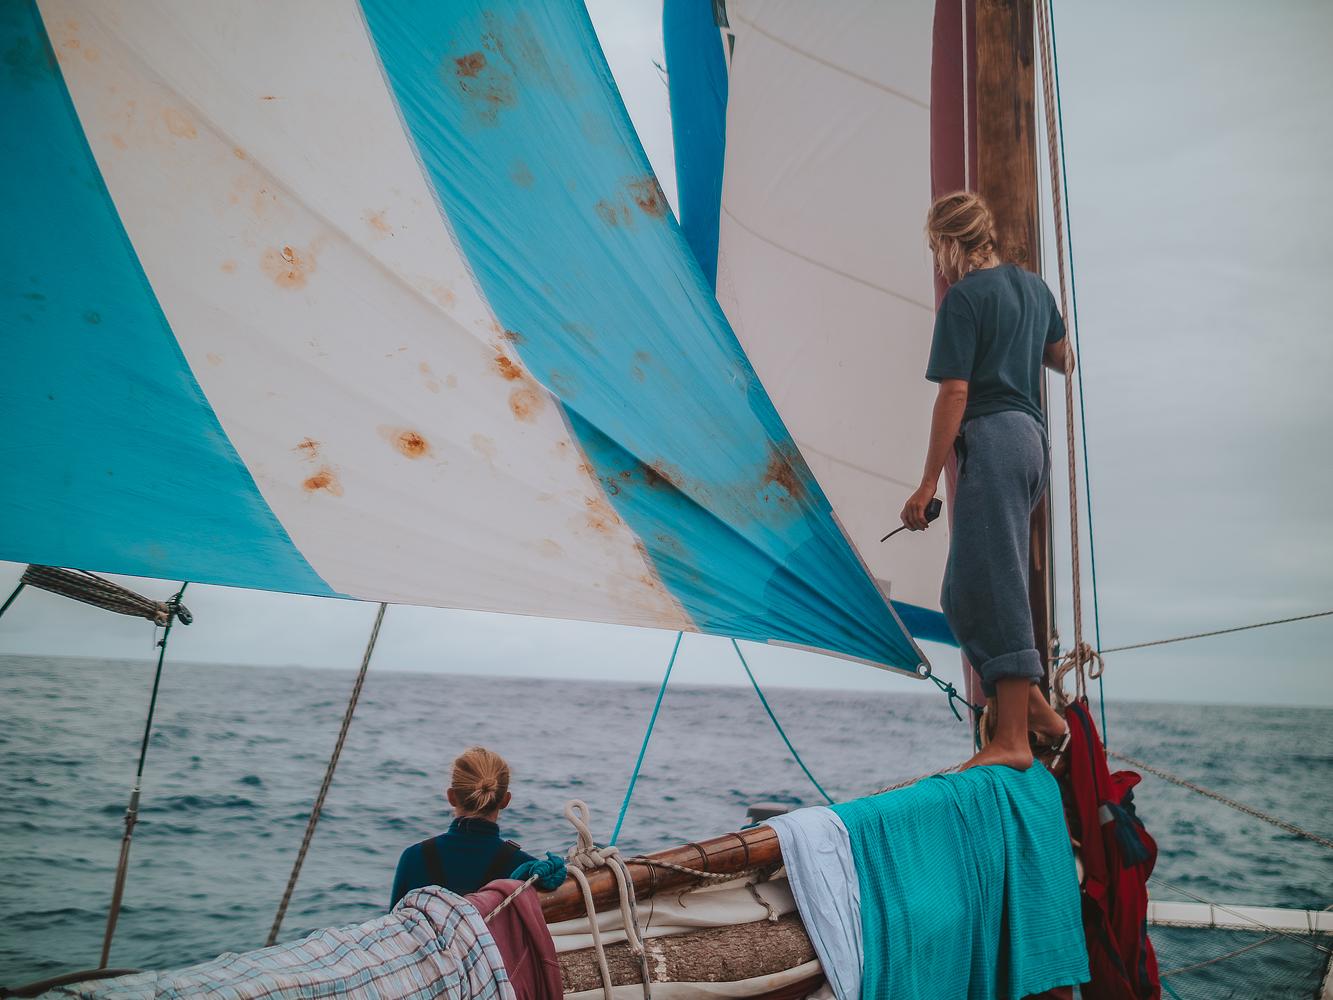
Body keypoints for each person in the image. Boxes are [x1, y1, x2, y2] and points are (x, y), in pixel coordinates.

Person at [899, 191, 1071, 771]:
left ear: (951, 244)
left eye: (936, 250)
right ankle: (1039, 713)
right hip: (1031, 445)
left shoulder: (964, 298)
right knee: (961, 593)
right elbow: (1063, 358)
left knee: (996, 586)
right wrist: (1021, 337)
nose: (937, 263)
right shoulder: (1035, 289)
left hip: (995, 441)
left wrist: (927, 483)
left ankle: (1013, 739)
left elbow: (955, 392)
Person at [390, 746, 537, 909]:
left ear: (451, 796)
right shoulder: (528, 871)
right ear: (505, 800)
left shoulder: (413, 858)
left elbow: (394, 922)